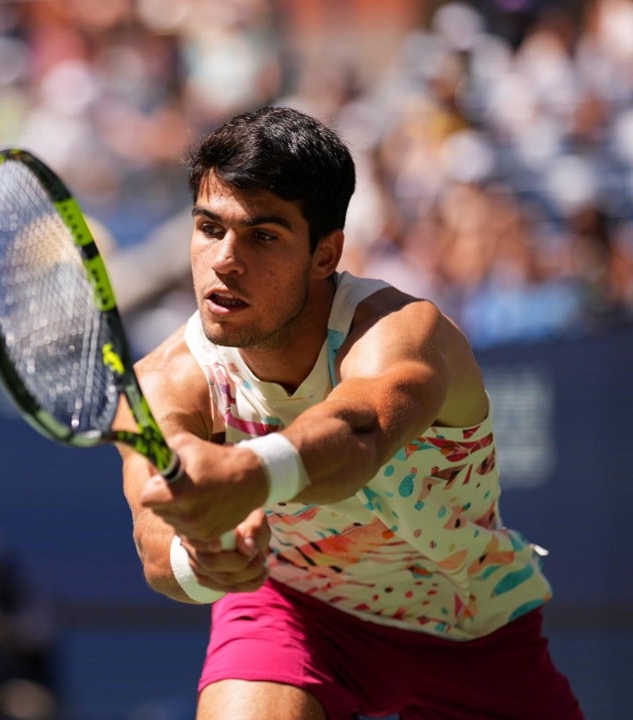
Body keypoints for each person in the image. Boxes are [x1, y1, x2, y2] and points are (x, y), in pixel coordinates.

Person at [121, 106, 582, 720]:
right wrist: (203, 561)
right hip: (291, 609)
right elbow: (156, 550)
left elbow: (356, 436)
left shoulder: (403, 331)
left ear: (324, 254)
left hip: (472, 623)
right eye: (210, 228)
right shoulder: (162, 382)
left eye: (263, 236)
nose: (225, 260)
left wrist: (250, 474)